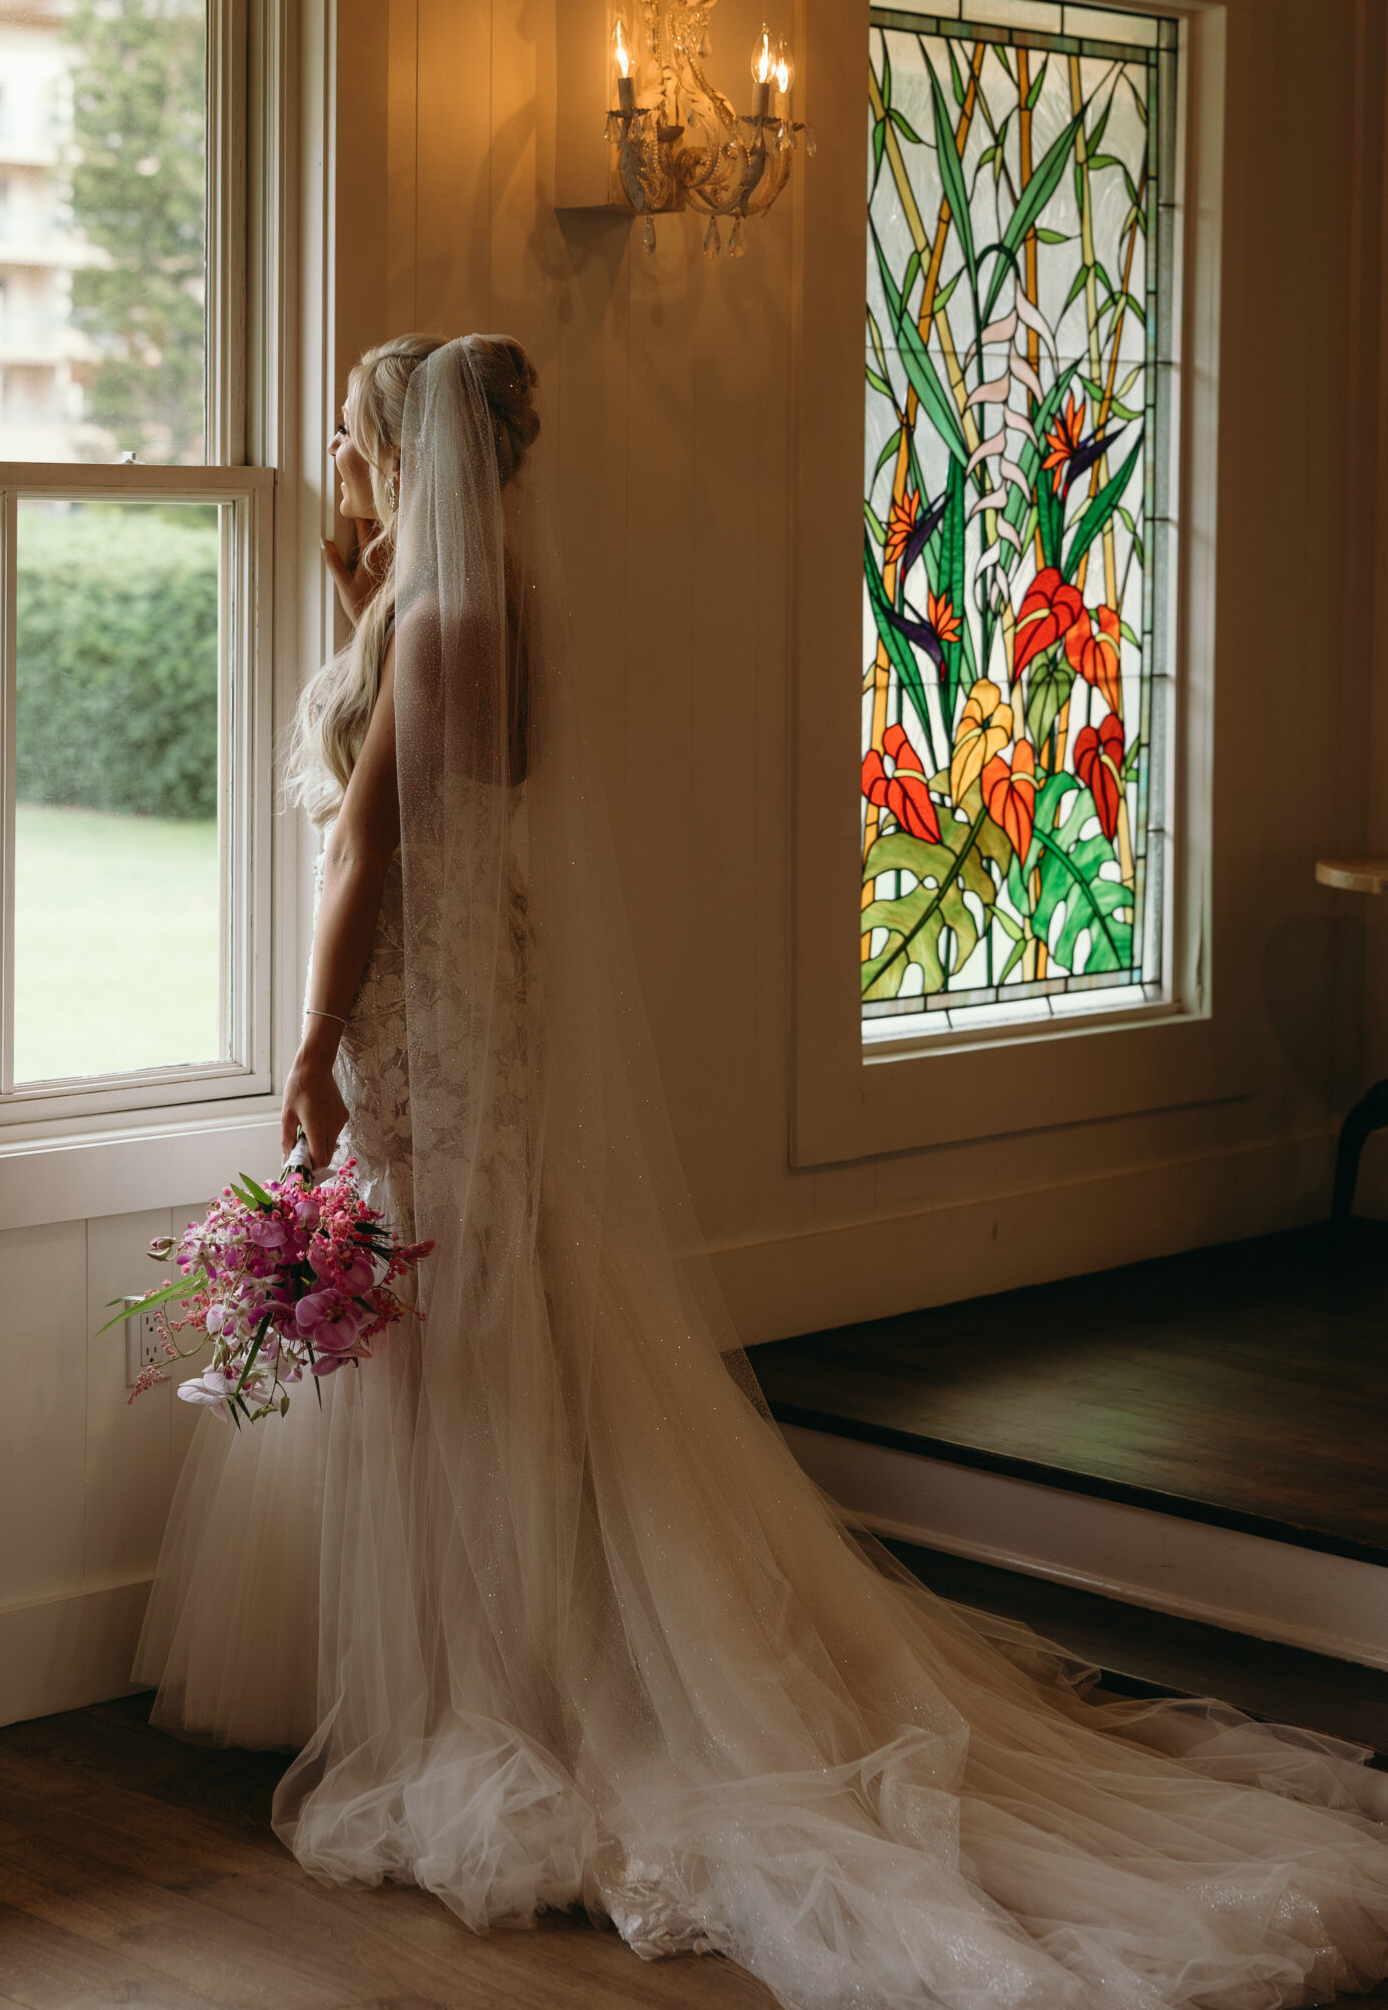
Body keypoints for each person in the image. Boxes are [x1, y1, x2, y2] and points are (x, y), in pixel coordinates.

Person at [138, 333, 1388, 2009]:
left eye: (354, 447)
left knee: (460, 1325)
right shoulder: (493, 608)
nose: (343, 474)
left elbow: (368, 846)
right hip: (468, 999)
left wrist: (306, 1047)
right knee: (492, 1309)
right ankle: (475, 1652)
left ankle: (494, 1679)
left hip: (418, 1009)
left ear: (401, 453)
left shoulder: (435, 626)